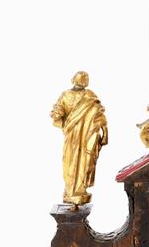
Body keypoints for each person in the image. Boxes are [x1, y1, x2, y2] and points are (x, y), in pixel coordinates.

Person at [51, 71, 108, 206]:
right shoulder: (65, 95)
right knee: (70, 161)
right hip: (72, 135)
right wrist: (57, 114)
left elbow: (100, 115)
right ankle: (71, 192)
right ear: (74, 80)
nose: (84, 81)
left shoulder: (90, 96)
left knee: (87, 160)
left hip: (88, 134)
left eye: (85, 79)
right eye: (81, 78)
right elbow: (58, 110)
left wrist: (105, 133)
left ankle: (81, 189)